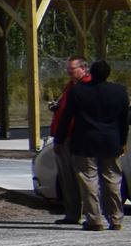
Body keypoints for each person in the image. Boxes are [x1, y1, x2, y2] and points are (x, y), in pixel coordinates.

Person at [62, 58, 128, 231]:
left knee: (88, 180)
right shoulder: (120, 91)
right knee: (112, 179)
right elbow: (123, 120)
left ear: (90, 72)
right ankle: (115, 218)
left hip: (85, 140)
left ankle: (94, 219)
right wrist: (122, 141)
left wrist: (60, 138)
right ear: (108, 74)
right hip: (111, 140)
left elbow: (67, 116)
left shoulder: (78, 91)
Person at [49, 57, 91, 223]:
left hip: (74, 137)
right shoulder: (70, 86)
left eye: (72, 69)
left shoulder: (86, 86)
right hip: (65, 136)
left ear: (83, 68)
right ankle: (73, 213)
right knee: (67, 178)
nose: (68, 72)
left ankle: (89, 214)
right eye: (68, 69)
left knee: (82, 178)